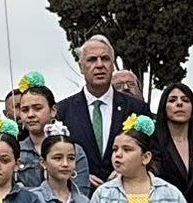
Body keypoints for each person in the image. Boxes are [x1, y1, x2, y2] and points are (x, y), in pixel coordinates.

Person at [57, 35, 149, 185]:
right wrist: (77, 174)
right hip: (78, 196)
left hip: (126, 192)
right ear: (81, 67)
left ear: (113, 65)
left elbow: (151, 152)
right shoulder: (63, 111)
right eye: (92, 60)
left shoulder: (136, 109)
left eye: (105, 59)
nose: (99, 65)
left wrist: (126, 170)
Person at [14, 78, 90, 193]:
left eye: (37, 108)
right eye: (25, 110)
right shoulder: (16, 151)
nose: (30, 115)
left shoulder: (74, 151)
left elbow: (81, 193)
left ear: (53, 110)